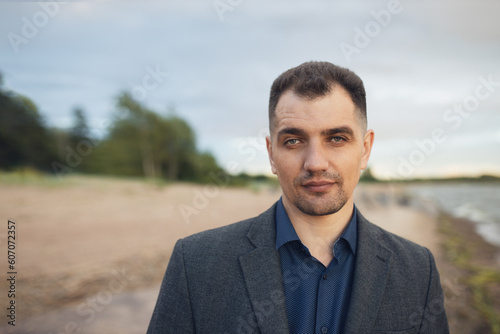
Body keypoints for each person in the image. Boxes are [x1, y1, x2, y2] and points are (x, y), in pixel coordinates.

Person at [147, 61, 449, 334]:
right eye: (293, 141)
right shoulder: (196, 264)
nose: (315, 162)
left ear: (366, 149)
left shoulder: (417, 270)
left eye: (337, 139)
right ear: (271, 154)